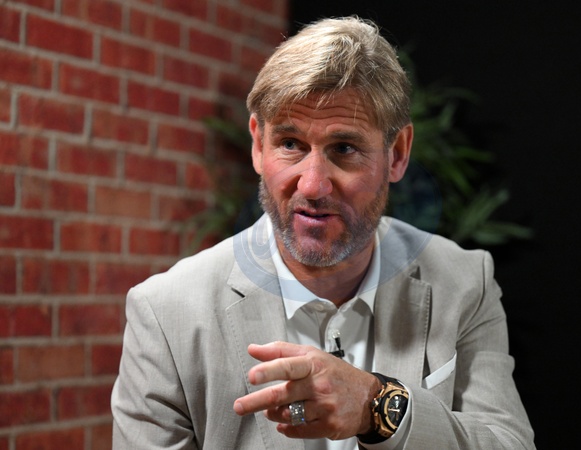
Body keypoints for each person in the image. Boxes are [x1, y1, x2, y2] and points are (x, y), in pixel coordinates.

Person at [111, 16, 535, 450]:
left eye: (344, 149)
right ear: (258, 144)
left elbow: (508, 444)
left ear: (397, 154)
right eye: (290, 144)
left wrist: (377, 407)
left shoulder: (464, 282)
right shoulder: (167, 313)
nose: (313, 185)